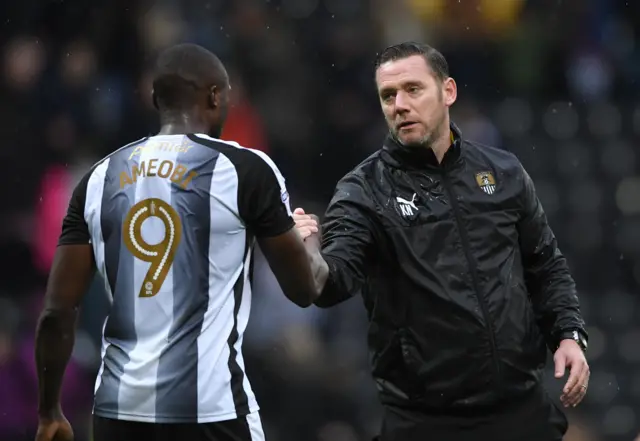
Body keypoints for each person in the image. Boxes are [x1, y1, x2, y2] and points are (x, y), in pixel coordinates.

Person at [293, 42, 589, 441]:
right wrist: (304, 249)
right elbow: (331, 284)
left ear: (448, 91)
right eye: (388, 95)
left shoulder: (503, 172)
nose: (399, 104)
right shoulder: (362, 192)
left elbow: (545, 264)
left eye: (413, 89)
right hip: (426, 420)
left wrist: (568, 334)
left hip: (520, 407)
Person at [34, 43, 327, 441]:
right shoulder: (244, 169)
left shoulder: (98, 178)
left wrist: (50, 409)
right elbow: (304, 289)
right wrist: (308, 241)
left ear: (156, 99)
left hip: (119, 412)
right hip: (212, 409)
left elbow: (56, 312)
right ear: (215, 96)